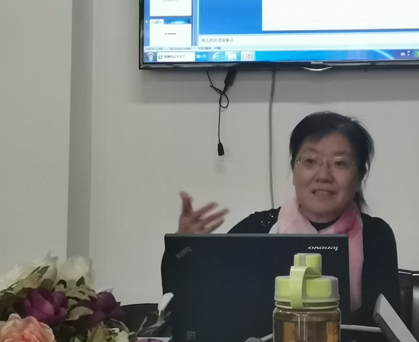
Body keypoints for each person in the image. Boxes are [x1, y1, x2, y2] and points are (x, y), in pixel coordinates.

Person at [163, 111, 400, 327]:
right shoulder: (257, 229)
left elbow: (380, 326)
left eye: (340, 163)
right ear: (294, 171)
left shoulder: (375, 236)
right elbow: (198, 304)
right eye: (310, 161)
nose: (324, 175)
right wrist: (185, 248)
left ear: (359, 176)